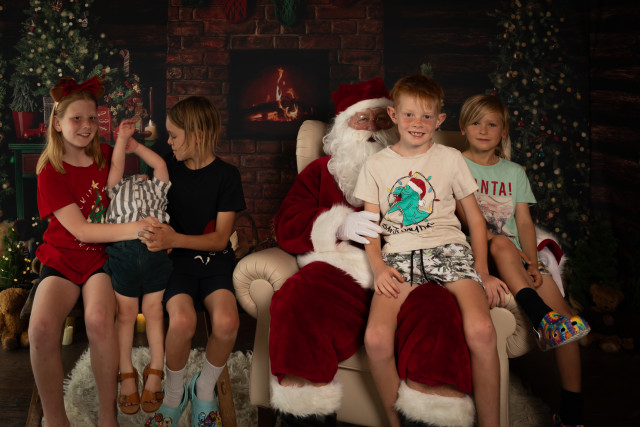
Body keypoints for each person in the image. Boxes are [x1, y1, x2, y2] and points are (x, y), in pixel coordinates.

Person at [270, 77, 476, 427]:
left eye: (381, 119)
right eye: (361, 119)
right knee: (298, 297)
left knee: (438, 314)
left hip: (413, 273)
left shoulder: (429, 165)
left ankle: (431, 417)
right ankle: (303, 416)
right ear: (343, 127)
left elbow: (468, 222)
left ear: (394, 120)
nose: (372, 128)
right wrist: (337, 225)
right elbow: (286, 223)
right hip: (344, 275)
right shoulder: (320, 172)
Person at [354, 74, 502, 427]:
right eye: (409, 114)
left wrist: (482, 271)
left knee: (481, 329)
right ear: (393, 115)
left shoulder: (450, 158)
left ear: (439, 120)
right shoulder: (376, 166)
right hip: (399, 258)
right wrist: (378, 267)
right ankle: (396, 422)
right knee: (376, 339)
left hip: (449, 252)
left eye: (426, 116)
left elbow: (475, 219)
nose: (417, 123)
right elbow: (370, 226)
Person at [457, 94, 590, 427]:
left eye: (492, 124)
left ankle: (571, 414)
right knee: (501, 242)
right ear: (462, 128)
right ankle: (539, 316)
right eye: (476, 122)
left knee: (568, 324)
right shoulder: (455, 164)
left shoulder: (514, 172)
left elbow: (525, 222)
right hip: (478, 252)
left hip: (515, 256)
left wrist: (532, 263)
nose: (483, 130)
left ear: (503, 131)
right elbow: (464, 217)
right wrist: (496, 242)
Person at [30, 76, 152, 427]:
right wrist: (139, 227)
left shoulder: (105, 157)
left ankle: (106, 413)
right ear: (57, 123)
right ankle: (57, 418)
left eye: (92, 118)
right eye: (76, 118)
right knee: (41, 328)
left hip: (101, 259)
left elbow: (120, 192)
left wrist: (138, 185)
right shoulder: (50, 170)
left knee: (99, 319)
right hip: (63, 258)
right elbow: (81, 230)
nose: (86, 126)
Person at [140, 96, 246, 427]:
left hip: (216, 264)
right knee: (183, 321)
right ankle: (174, 394)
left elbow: (220, 239)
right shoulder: (166, 170)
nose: (169, 142)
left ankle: (203, 388)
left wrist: (174, 239)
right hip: (177, 267)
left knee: (227, 323)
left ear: (198, 134)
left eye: (174, 136)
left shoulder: (227, 176)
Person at [102, 116, 173, 415]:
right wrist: (121, 142)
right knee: (126, 314)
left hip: (155, 251)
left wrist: (137, 146)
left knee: (154, 311)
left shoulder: (159, 189)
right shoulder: (116, 188)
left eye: (143, 176)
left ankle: (156, 367)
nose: (138, 178)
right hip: (124, 251)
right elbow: (117, 166)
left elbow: (159, 165)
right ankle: (126, 369)